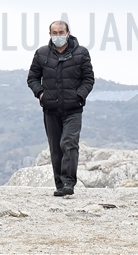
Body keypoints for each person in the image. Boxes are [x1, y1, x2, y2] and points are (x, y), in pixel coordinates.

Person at [26, 20, 95, 196]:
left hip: (73, 109)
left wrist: (79, 96)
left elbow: (88, 79)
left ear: (68, 32)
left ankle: (69, 183)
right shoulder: (41, 54)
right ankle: (59, 185)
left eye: (61, 32)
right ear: (50, 34)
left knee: (69, 143)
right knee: (55, 147)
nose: (58, 36)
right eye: (54, 33)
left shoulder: (81, 53)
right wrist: (41, 94)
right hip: (51, 109)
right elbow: (32, 78)